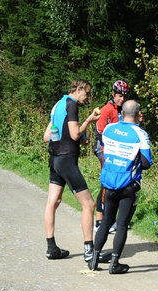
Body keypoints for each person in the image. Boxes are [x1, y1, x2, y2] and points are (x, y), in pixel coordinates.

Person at [88, 100, 152, 274]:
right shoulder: (140, 134)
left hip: (109, 183)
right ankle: (114, 264)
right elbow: (146, 163)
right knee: (122, 224)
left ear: (121, 113)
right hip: (127, 186)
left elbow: (102, 146)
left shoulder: (109, 128)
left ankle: (94, 258)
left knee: (106, 221)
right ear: (138, 114)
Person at [43, 79, 101, 260]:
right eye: (87, 93)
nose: (88, 97)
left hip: (54, 159)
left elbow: (47, 136)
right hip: (67, 160)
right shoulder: (72, 104)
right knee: (89, 204)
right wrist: (88, 121)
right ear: (78, 89)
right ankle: (89, 250)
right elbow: (75, 133)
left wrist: (75, 137)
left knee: (53, 202)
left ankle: (51, 247)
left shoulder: (58, 104)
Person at [93, 80, 130, 234]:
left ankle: (113, 219)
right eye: (120, 96)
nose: (122, 99)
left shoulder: (123, 110)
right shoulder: (106, 110)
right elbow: (100, 133)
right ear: (114, 94)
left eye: (124, 96)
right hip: (104, 150)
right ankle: (99, 221)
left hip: (117, 151)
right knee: (106, 182)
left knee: (118, 183)